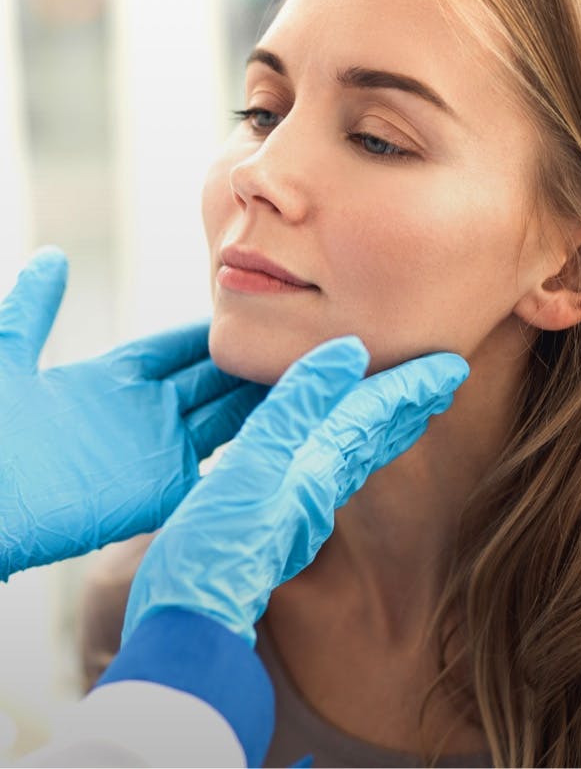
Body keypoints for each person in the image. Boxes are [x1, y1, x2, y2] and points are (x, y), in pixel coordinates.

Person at [79, 0, 581, 768]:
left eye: (377, 140)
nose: (258, 174)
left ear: (573, 269)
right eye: (263, 111)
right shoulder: (163, 609)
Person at [2, 249, 468, 766]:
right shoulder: (135, 603)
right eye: (246, 157)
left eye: (385, 158)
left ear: (569, 271)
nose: (249, 179)